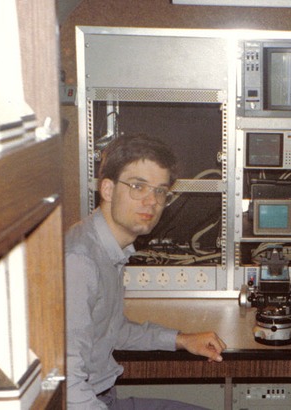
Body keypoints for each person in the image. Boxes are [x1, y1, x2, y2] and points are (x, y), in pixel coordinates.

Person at [65, 134, 227, 409]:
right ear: (107, 189)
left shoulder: (106, 248)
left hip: (103, 397)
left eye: (160, 190)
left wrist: (181, 339)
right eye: (138, 186)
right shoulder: (81, 262)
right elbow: (69, 386)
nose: (151, 201)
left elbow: (110, 331)